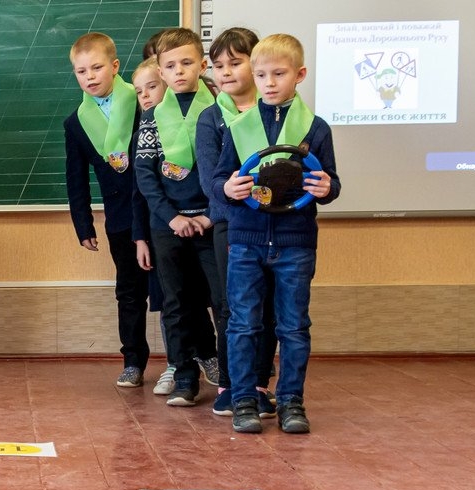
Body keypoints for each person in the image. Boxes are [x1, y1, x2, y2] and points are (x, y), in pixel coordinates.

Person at [214, 33, 339, 434]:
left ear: (299, 75)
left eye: (279, 74)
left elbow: (330, 182)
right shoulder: (238, 127)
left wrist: (327, 188)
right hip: (246, 241)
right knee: (243, 324)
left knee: (293, 326)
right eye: (262, 75)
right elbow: (220, 178)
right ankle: (243, 400)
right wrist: (227, 188)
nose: (269, 83)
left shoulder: (315, 128)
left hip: (294, 242)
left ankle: (290, 402)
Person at [134, 26, 222, 407]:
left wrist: (209, 216)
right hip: (167, 225)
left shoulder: (220, 110)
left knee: (222, 301)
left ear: (203, 66)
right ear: (161, 71)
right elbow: (145, 175)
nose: (179, 71)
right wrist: (171, 218)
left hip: (211, 223)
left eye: (187, 63)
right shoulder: (152, 117)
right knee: (176, 303)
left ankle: (230, 381)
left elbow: (228, 168)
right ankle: (185, 377)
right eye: (170, 66)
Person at [195, 27, 277, 418]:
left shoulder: (279, 112)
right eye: (218, 65)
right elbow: (211, 180)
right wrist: (231, 191)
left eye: (235, 63)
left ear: (255, 64)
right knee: (232, 307)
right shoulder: (211, 118)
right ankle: (230, 385)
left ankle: (258, 385)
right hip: (231, 225)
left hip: (276, 226)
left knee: (268, 307)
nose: (225, 72)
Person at [64, 32, 147, 388]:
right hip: (120, 217)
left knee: (177, 291)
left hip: (159, 212)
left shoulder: (145, 100)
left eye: (97, 68)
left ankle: (186, 360)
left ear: (114, 66)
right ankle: (133, 361)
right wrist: (84, 225)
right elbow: (76, 178)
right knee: (129, 292)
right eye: (81, 71)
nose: (90, 77)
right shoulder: (76, 122)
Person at [130, 56, 175, 396]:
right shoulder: (140, 135)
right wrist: (140, 238)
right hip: (158, 228)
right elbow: (139, 192)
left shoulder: (198, 122)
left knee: (205, 299)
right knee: (169, 300)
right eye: (138, 91)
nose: (145, 96)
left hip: (199, 223)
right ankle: (176, 363)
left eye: (152, 87)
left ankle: (210, 358)